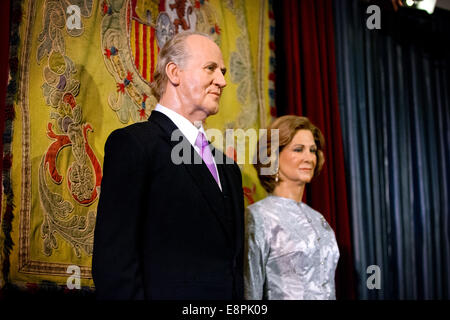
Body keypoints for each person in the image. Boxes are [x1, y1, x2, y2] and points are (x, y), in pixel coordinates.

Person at [92, 31, 245, 300]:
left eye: (222, 72)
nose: (222, 81)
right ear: (174, 72)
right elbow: (114, 263)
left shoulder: (228, 169)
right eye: (211, 68)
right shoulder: (135, 144)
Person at [244, 115, 340, 300]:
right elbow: (250, 290)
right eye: (298, 149)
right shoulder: (258, 217)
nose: (309, 158)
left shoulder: (319, 219)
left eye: (312, 150)